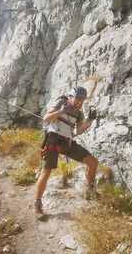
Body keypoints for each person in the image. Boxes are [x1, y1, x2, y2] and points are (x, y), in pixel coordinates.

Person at [33, 86, 98, 220]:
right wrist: (61, 111)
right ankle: (37, 204)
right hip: (53, 139)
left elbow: (79, 131)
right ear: (71, 97)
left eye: (82, 100)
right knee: (46, 171)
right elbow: (46, 118)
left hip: (67, 142)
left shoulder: (79, 113)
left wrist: (90, 119)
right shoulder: (61, 102)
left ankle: (89, 190)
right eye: (78, 99)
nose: (80, 102)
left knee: (93, 162)